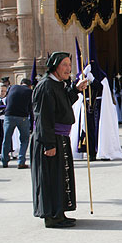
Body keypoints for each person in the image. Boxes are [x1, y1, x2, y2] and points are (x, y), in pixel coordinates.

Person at [30, 52, 88, 229]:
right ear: (55, 66)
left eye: (70, 65)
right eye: (65, 65)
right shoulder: (45, 86)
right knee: (51, 178)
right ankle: (52, 217)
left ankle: (59, 211)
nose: (69, 69)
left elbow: (62, 105)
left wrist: (75, 90)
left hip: (60, 137)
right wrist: (48, 143)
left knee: (60, 177)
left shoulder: (58, 85)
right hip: (49, 138)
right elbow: (43, 117)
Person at [2, 78, 33, 169]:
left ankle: (4, 160)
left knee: (6, 138)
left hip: (9, 115)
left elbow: (7, 100)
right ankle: (21, 161)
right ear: (29, 85)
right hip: (22, 116)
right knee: (24, 140)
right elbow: (30, 106)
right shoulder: (30, 91)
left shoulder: (12, 87)